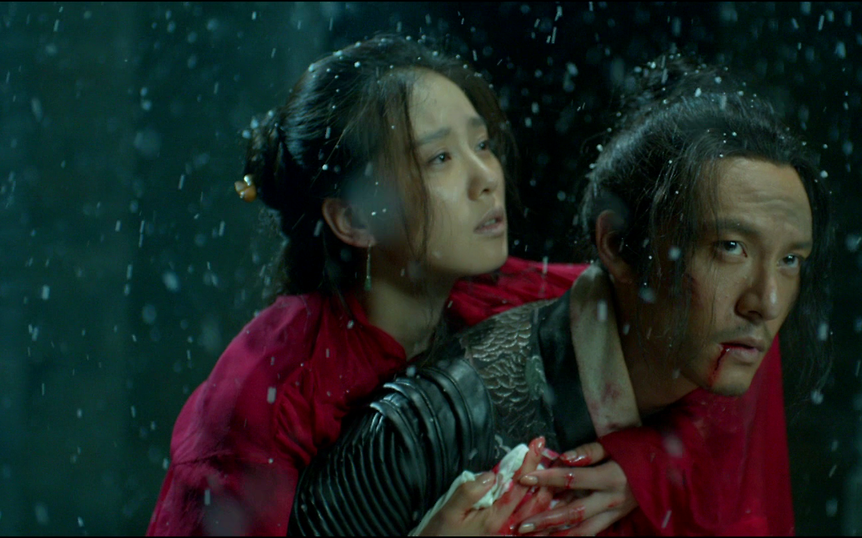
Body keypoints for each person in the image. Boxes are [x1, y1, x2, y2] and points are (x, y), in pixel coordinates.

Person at [289, 54, 833, 536]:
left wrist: (652, 472)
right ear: (617, 247)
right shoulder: (435, 423)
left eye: (790, 260)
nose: (766, 302)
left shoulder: (735, 368)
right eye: (730, 247)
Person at [146, 34, 627, 536]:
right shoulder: (266, 393)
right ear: (353, 219)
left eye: (481, 144)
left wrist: (639, 473)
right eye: (439, 159)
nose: (486, 176)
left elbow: (671, 322)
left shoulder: (507, 294)